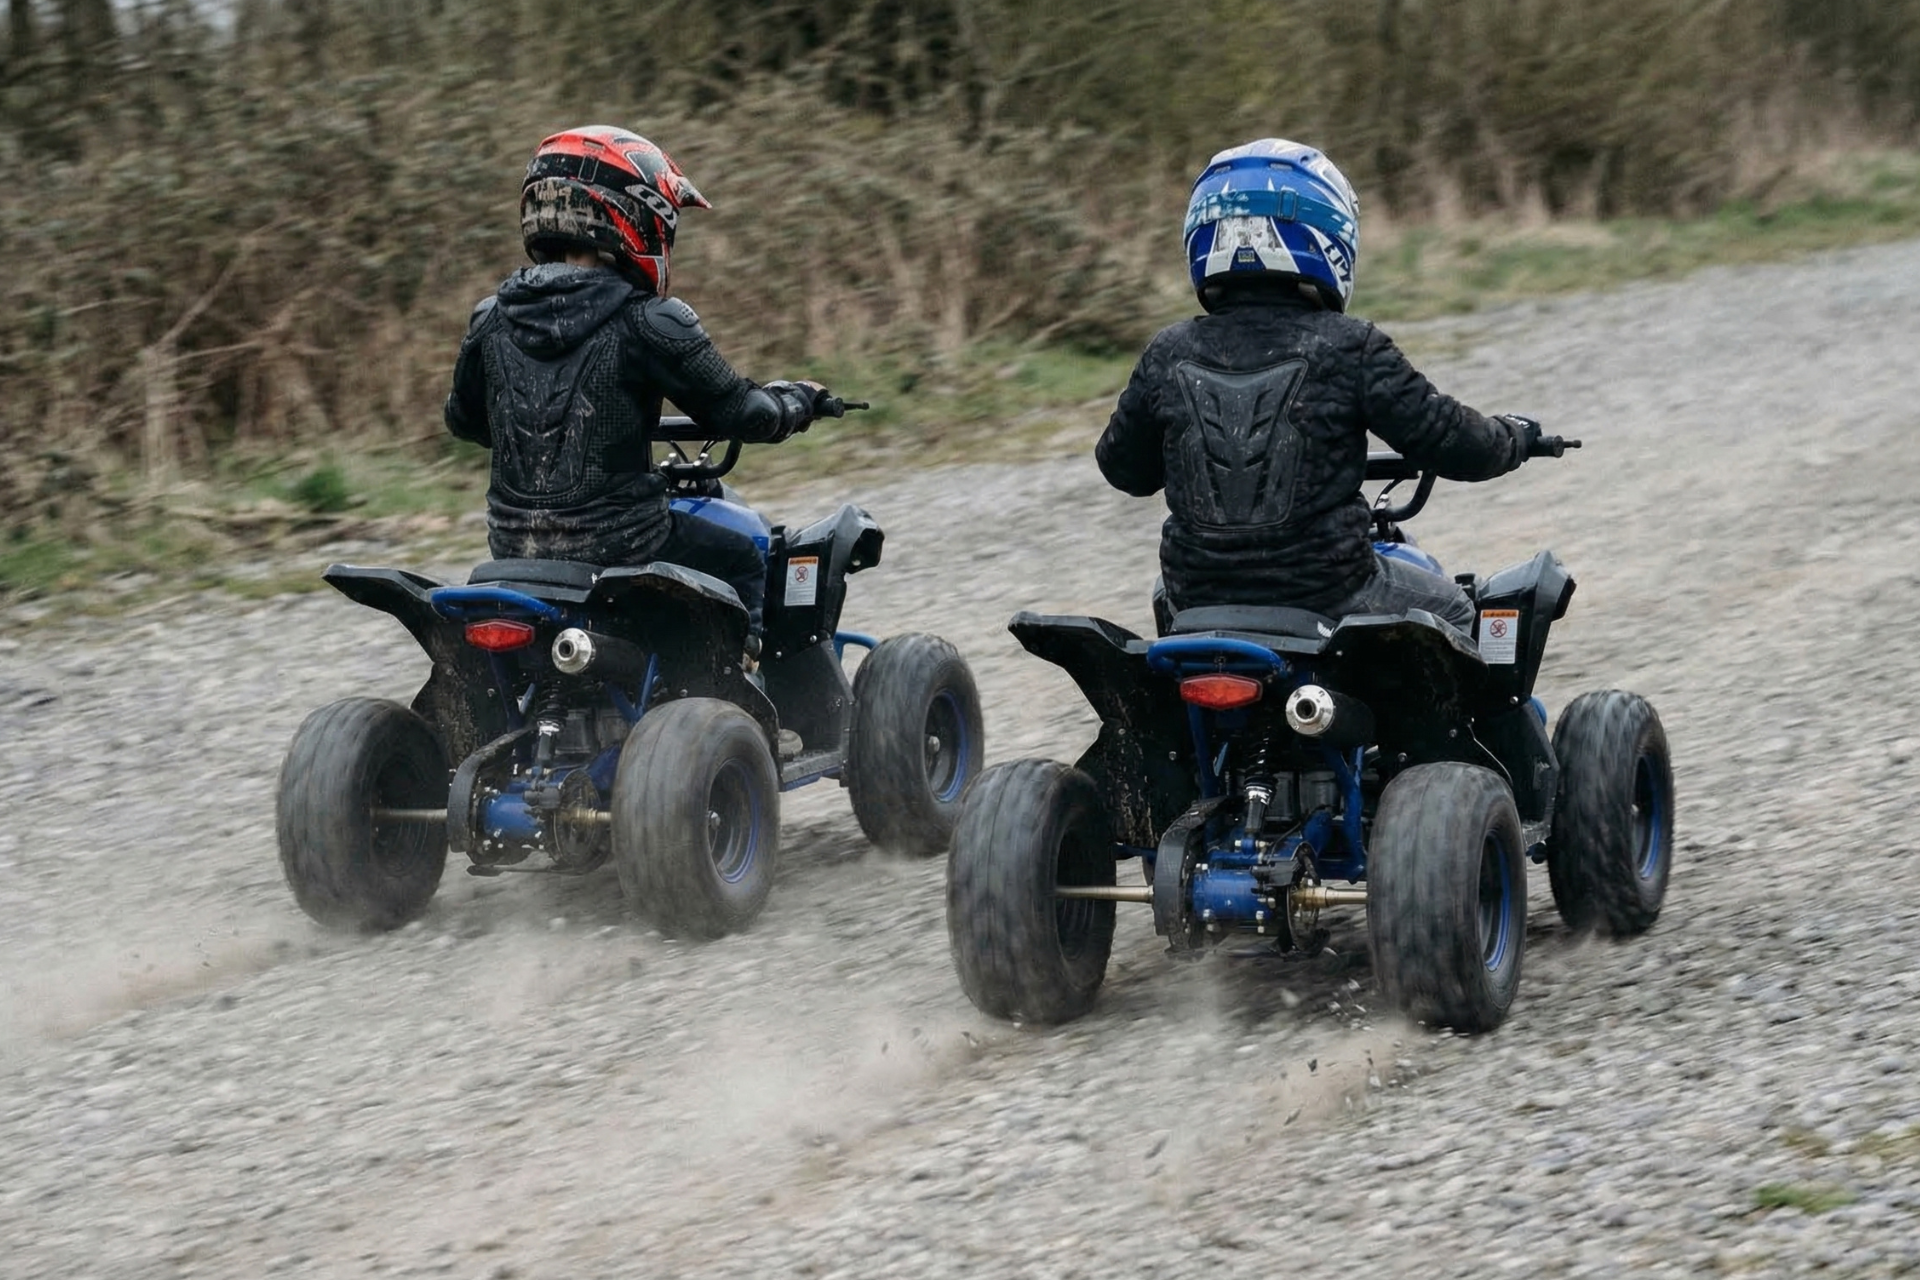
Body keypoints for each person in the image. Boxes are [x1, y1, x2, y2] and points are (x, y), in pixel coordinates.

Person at [1094, 138, 1544, 633]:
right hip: (1332, 591)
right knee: (1458, 610)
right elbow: (1457, 444)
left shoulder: (1168, 350)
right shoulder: (1351, 345)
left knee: (1164, 599)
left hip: (1195, 595)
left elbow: (1124, 470)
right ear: (1325, 235)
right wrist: (1514, 437)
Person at [444, 125, 824, 640]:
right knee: (744, 555)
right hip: (626, 544)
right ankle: (746, 699)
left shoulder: (490, 317)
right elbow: (743, 415)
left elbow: (465, 422)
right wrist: (797, 401)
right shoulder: (648, 319)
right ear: (634, 213)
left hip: (512, 549)